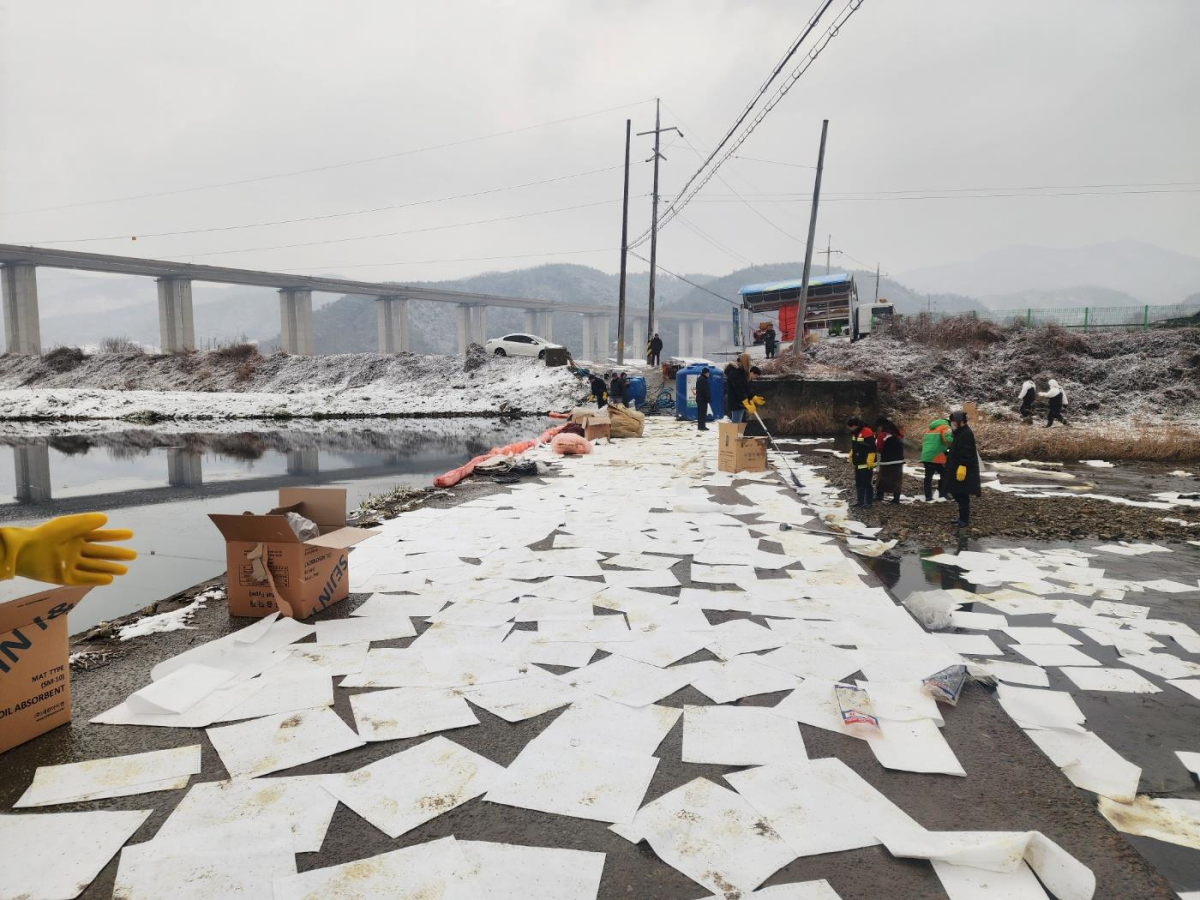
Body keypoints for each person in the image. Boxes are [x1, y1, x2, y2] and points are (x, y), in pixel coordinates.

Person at [944, 410, 981, 528]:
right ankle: (961, 518)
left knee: (961, 494)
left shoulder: (966, 433)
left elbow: (967, 451)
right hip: (956, 467)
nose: (953, 423)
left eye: (954, 421)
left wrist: (963, 465)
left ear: (960, 421)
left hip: (964, 468)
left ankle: (964, 520)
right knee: (956, 492)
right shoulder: (959, 432)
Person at [919, 416, 953, 502]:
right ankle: (942, 493)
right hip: (936, 455)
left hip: (926, 455)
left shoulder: (930, 428)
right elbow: (947, 438)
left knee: (928, 477)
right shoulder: (946, 427)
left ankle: (928, 496)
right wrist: (958, 440)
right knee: (945, 474)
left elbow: (931, 442)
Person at [873, 417, 905, 504]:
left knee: (882, 477)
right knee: (897, 479)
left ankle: (879, 495)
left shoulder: (883, 435)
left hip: (886, 460)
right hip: (899, 459)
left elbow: (879, 448)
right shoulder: (897, 433)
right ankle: (896, 498)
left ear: (880, 426)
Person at [847, 417, 877, 509]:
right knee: (859, 483)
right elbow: (854, 446)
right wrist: (852, 455)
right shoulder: (855, 433)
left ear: (855, 425)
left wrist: (861, 444)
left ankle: (868, 502)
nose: (850, 429)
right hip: (858, 461)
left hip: (866, 461)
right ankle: (860, 501)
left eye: (850, 427)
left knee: (866, 483)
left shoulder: (867, 431)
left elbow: (872, 447)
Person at [723, 353, 752, 422]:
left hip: (738, 402)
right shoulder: (735, 373)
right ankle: (733, 433)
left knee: (737, 423)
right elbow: (739, 389)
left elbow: (744, 387)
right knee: (736, 423)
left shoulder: (738, 372)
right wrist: (746, 402)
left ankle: (736, 432)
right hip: (737, 402)